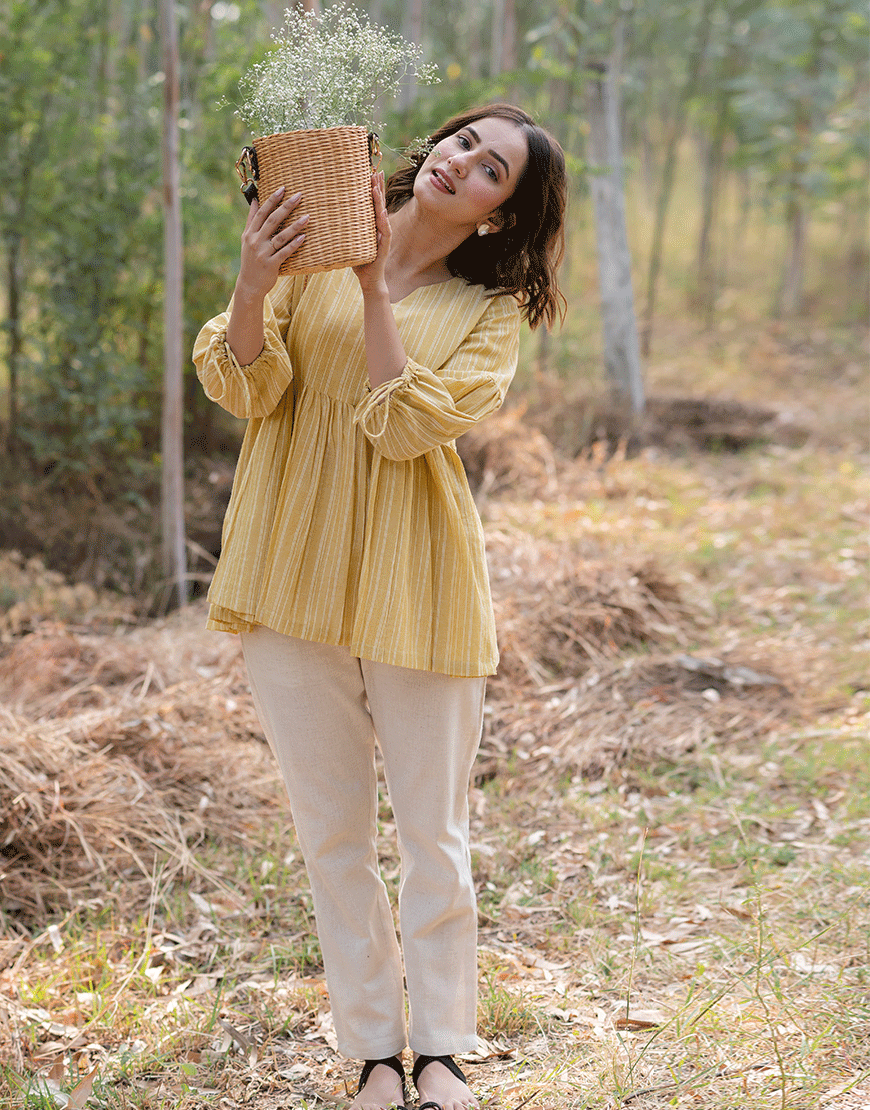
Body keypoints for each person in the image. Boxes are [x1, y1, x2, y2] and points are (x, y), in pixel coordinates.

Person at [193, 103, 566, 1110]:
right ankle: (370, 1055)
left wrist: (372, 294)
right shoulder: (310, 246)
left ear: (499, 214)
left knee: (433, 835)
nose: (462, 166)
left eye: (492, 171)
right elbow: (244, 387)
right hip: (289, 573)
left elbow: (405, 426)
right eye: (460, 143)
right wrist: (255, 279)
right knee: (331, 836)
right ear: (431, 149)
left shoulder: (488, 316)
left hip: (418, 581)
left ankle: (442, 1048)